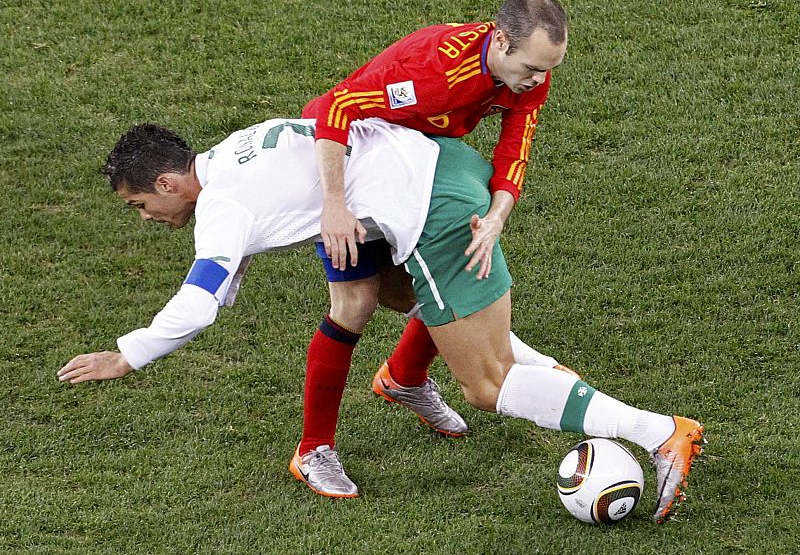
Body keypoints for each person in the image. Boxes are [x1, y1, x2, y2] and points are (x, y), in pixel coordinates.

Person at [57, 119, 704, 523]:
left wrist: (128, 353)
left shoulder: (221, 207)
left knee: (467, 354)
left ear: (169, 183)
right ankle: (324, 442)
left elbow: (201, 299)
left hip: (405, 202)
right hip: (365, 195)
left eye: (139, 204)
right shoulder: (229, 155)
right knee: (362, 303)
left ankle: (642, 423)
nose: (144, 217)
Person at [296, 0, 572, 481]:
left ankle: (404, 377)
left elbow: (515, 151)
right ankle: (312, 451)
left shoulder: (526, 75)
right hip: (346, 163)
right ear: (501, 41)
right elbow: (335, 109)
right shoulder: (433, 77)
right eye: (532, 67)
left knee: (444, 275)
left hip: (409, 169)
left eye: (549, 69)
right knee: (355, 303)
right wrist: (334, 207)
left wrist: (496, 218)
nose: (539, 80)